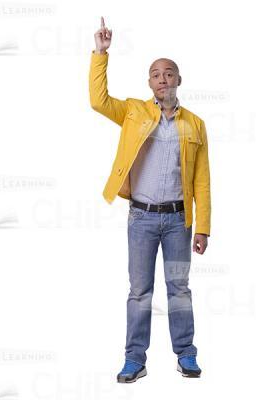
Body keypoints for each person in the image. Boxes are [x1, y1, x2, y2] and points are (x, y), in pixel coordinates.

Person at [89, 16, 211, 383]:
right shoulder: (133, 112)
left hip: (178, 221)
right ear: (149, 83)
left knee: (179, 290)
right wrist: (100, 53)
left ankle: (186, 354)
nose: (162, 78)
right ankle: (134, 359)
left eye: (168, 73)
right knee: (140, 292)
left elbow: (202, 180)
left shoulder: (195, 124)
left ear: (178, 80)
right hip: (141, 218)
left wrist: (202, 227)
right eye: (156, 74)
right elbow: (98, 101)